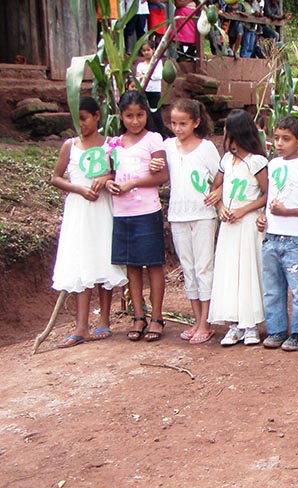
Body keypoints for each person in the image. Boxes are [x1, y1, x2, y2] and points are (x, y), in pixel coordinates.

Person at [49, 96, 128, 348]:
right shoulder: (69, 146)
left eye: (84, 118)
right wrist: (78, 189)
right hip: (79, 209)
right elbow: (55, 177)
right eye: (77, 119)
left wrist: (106, 177)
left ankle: (104, 320)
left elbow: (120, 172)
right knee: (82, 262)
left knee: (103, 259)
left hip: (103, 208)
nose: (80, 124)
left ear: (97, 116)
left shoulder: (110, 145)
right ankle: (81, 325)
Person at [153, 98, 220, 344]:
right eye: (173, 123)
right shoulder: (168, 146)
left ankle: (206, 321)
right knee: (188, 268)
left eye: (183, 123)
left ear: (196, 122)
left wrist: (218, 194)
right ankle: (196, 318)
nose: (178, 128)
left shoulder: (206, 148)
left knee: (204, 266)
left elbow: (220, 177)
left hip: (202, 214)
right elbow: (159, 170)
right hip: (178, 214)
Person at [105, 90, 169, 342]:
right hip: (122, 213)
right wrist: (110, 183)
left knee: (153, 265)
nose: (135, 121)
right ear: (121, 116)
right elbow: (110, 174)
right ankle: (138, 316)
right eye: (129, 116)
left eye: (140, 115)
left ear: (147, 114)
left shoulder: (153, 139)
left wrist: (132, 184)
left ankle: (157, 317)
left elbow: (162, 176)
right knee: (132, 266)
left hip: (147, 211)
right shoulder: (114, 144)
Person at [256, 116, 298, 351]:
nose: (280, 143)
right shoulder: (273, 165)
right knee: (272, 288)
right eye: (277, 138)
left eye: (286, 139)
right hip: (271, 237)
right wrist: (265, 215)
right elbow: (271, 197)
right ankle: (277, 329)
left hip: (295, 240)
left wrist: (287, 211)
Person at [207, 110, 269, 346]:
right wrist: (221, 206)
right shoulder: (226, 161)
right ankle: (234, 324)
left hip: (248, 223)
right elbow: (216, 187)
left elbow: (266, 193)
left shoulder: (256, 161)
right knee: (230, 270)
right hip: (229, 225)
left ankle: (250, 323)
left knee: (248, 270)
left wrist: (244, 210)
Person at [134, 41, 166, 136]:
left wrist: (144, 76)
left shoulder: (158, 62)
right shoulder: (140, 65)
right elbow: (137, 78)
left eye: (148, 50)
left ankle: (162, 134)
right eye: (144, 50)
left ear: (153, 50)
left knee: (156, 114)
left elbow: (158, 76)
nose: (146, 52)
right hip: (144, 91)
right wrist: (147, 75)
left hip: (154, 91)